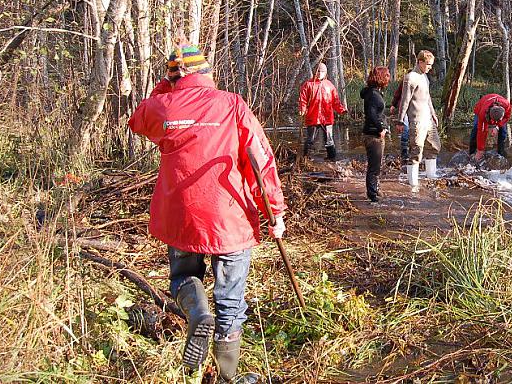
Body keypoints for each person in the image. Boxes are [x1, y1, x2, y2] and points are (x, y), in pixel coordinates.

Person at [128, 41, 286, 383]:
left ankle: (198, 312)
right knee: (230, 299)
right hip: (229, 218)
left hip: (182, 217)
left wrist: (170, 85)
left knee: (183, 277)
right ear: (206, 72)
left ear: (173, 77)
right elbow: (259, 161)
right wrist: (275, 211)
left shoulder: (163, 106)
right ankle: (228, 377)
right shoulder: (231, 104)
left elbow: (138, 120)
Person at [396, 50, 441, 191]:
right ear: (420, 62)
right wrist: (400, 120)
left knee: (434, 146)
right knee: (416, 150)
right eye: (428, 64)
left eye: (431, 65)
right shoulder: (411, 77)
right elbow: (404, 100)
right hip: (416, 120)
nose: (430, 67)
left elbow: (427, 97)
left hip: (428, 118)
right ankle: (413, 184)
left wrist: (433, 114)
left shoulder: (424, 77)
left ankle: (431, 176)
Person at [298, 62, 347, 160]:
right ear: (315, 72)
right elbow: (302, 99)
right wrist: (302, 109)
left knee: (329, 140)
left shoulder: (329, 85)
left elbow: (335, 101)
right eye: (318, 71)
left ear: (326, 73)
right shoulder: (308, 85)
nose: (320, 73)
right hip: (313, 116)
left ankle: (332, 158)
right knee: (310, 139)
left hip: (327, 117)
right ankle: (305, 159)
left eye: (322, 72)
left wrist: (341, 110)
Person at [361, 66, 391, 202]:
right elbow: (371, 114)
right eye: (386, 76)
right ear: (380, 77)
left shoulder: (374, 92)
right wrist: (380, 128)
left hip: (374, 134)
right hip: (373, 135)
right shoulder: (373, 95)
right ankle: (372, 195)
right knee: (374, 167)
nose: (388, 78)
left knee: (376, 166)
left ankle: (375, 190)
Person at [469, 93, 512, 161]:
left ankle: (501, 153)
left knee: (503, 132)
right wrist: (480, 150)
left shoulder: (507, 105)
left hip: (497, 108)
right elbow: (482, 131)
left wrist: (497, 126)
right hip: (481, 106)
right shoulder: (483, 113)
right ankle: (472, 152)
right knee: (475, 129)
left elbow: (507, 117)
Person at [388, 80, 409, 163]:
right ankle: (404, 154)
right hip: (404, 108)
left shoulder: (421, 79)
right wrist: (393, 104)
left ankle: (411, 153)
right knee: (405, 130)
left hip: (415, 109)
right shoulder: (405, 81)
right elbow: (398, 93)